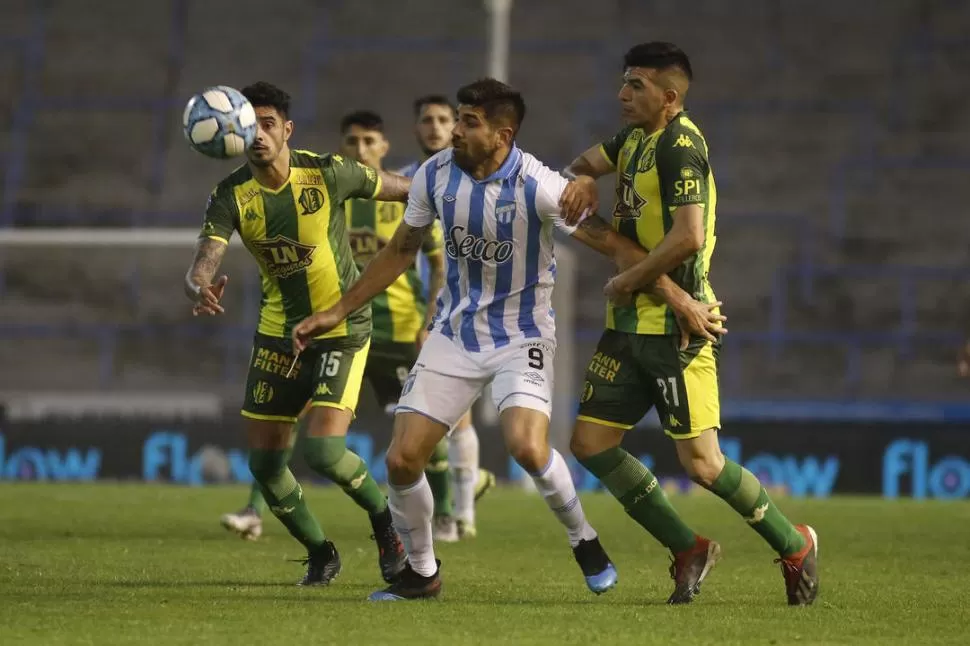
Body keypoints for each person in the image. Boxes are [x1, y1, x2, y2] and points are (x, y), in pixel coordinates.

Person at [291, 78, 723, 601]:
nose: (454, 129)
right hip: (455, 333)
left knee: (524, 444)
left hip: (522, 335)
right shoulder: (435, 174)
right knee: (402, 461)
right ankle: (422, 574)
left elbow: (611, 243)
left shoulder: (538, 185)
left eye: (468, 122)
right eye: (457, 117)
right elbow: (402, 249)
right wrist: (338, 309)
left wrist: (680, 299)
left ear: (503, 134)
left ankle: (583, 539)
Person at [560, 42, 818, 606]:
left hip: (680, 326)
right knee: (590, 443)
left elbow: (689, 236)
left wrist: (629, 279)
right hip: (627, 325)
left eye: (636, 86)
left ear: (669, 97)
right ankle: (686, 547)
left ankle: (793, 542)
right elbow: (578, 165)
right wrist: (581, 175)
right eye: (624, 83)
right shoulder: (632, 140)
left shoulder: (680, 145)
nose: (622, 95)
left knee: (702, 464)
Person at [184, 81, 407, 586]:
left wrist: (455, 197)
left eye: (267, 125)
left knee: (323, 452)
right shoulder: (230, 195)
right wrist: (198, 287)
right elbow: (204, 259)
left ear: (287, 129)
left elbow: (406, 189)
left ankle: (386, 526)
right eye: (249, 125)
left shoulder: (327, 172)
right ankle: (320, 550)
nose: (257, 135)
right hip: (279, 336)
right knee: (264, 465)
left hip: (343, 328)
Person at [399, 95, 497, 541]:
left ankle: (461, 516)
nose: (437, 127)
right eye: (428, 120)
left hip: (463, 309)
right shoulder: (406, 182)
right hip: (413, 314)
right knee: (441, 416)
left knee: (457, 416)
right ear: (416, 128)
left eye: (446, 119)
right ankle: (466, 495)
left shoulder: (477, 177)